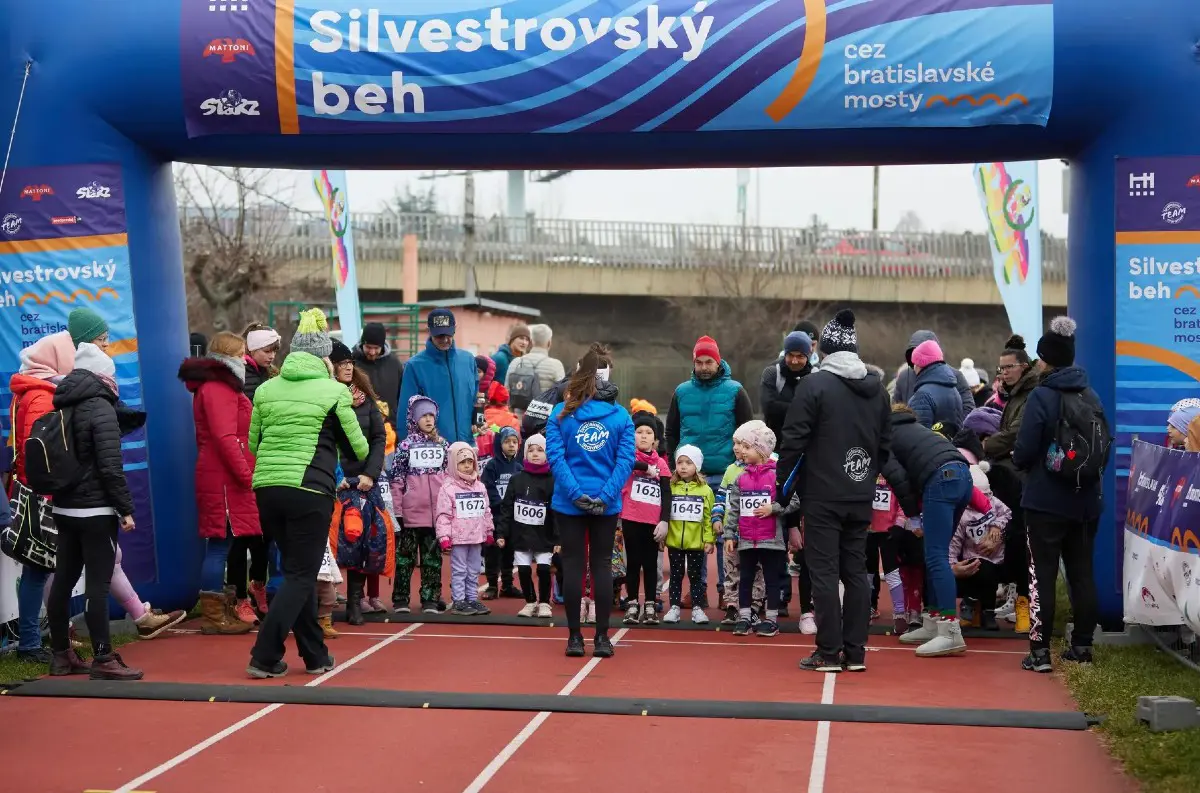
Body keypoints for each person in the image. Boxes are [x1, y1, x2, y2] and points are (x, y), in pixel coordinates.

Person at [245, 308, 369, 679]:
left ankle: (315, 655)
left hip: (267, 489)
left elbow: (253, 443)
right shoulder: (334, 392)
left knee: (296, 571)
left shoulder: (267, 388)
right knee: (302, 574)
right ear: (324, 359)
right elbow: (358, 449)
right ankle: (264, 654)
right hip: (309, 487)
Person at [775, 310, 891, 673]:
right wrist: (867, 475)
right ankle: (855, 653)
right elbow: (885, 445)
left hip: (823, 494)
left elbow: (793, 440)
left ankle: (828, 651)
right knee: (855, 571)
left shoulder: (814, 385)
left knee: (823, 572)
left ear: (823, 351)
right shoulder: (878, 390)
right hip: (860, 493)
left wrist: (782, 486)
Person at [45, 343, 145, 680]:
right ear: (104, 376)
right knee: (98, 586)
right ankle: (103, 658)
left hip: (64, 507)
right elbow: (110, 465)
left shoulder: (61, 404)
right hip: (96, 510)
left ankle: (61, 655)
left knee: (63, 581)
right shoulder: (101, 407)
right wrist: (125, 508)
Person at [1013, 316, 1107, 673]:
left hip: (1044, 501)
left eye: (1040, 358)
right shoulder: (1090, 393)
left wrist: (1027, 465)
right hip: (1086, 500)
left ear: (1048, 360)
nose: (1037, 363)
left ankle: (1039, 653)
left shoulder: (1042, 395)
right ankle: (1082, 646)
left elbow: (1023, 450)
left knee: (1042, 574)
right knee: (1082, 573)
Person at [546, 343, 636, 659]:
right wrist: (604, 496)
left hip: (570, 502)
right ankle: (601, 638)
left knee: (573, 566)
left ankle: (573, 638)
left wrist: (576, 495)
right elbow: (626, 461)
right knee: (600, 566)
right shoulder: (621, 415)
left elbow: (556, 459)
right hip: (604, 503)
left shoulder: (560, 413)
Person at [178, 331, 261, 634]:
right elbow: (225, 438)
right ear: (229, 356)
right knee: (219, 544)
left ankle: (219, 609)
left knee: (222, 543)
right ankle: (214, 616)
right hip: (224, 475)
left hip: (223, 471)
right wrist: (244, 474)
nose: (245, 358)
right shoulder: (218, 387)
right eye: (241, 353)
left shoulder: (220, 385)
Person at [665, 335, 755, 607]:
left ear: (718, 362)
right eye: (699, 362)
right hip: (690, 478)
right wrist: (673, 466)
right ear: (693, 363)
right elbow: (671, 431)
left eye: (709, 362)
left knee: (724, 537)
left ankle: (726, 591)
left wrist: (743, 469)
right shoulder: (681, 392)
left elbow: (747, 432)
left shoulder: (736, 390)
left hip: (726, 475)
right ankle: (697, 590)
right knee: (694, 535)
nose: (704, 367)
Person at [883, 404, 974, 658]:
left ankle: (949, 631)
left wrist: (912, 516)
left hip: (942, 479)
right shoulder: (918, 430)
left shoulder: (887, 436)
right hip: (963, 475)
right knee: (935, 553)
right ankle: (934, 621)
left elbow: (898, 479)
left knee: (935, 556)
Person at [329, 340, 388, 625]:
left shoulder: (366, 400)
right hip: (334, 482)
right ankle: (324, 602)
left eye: (350, 362)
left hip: (364, 482)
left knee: (360, 540)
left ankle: (354, 601)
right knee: (330, 544)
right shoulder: (325, 398)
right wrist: (335, 475)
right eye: (341, 364)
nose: (348, 367)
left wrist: (371, 474)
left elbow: (379, 438)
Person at [722, 421, 800, 639]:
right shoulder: (740, 478)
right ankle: (745, 617)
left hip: (771, 540)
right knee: (745, 578)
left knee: (771, 579)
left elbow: (794, 501)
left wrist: (773, 508)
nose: (741, 452)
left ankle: (771, 620)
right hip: (746, 539)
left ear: (761, 450)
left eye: (747, 447)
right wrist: (730, 534)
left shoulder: (777, 477)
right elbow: (734, 509)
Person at [388, 395, 450, 613]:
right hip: (410, 514)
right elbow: (396, 480)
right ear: (414, 418)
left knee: (432, 559)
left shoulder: (443, 445)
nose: (429, 419)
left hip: (436, 516)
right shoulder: (405, 446)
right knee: (405, 559)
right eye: (423, 415)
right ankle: (401, 599)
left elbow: (449, 478)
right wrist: (397, 510)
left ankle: (430, 599)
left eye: (431, 415)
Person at [240, 321, 281, 614]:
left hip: (267, 460)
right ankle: (242, 592)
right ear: (253, 349)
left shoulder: (269, 376)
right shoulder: (244, 377)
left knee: (265, 532)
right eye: (268, 351)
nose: (272, 356)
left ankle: (258, 584)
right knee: (248, 534)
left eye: (275, 351)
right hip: (250, 460)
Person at [495, 433, 558, 617]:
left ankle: (545, 602)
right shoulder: (516, 480)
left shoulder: (552, 480)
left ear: (547, 454)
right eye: (531, 450)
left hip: (544, 535)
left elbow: (556, 512)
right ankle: (530, 602)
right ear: (525, 453)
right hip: (521, 534)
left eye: (540, 450)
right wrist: (501, 533)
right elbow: (506, 508)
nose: (535, 454)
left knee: (544, 569)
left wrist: (558, 537)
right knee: (523, 570)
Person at [619, 413, 673, 624]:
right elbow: (624, 463)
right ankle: (632, 603)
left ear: (655, 440)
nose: (643, 436)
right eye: (639, 432)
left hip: (653, 522)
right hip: (631, 518)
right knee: (632, 563)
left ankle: (650, 603)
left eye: (648, 433)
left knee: (651, 564)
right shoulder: (627, 457)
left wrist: (664, 520)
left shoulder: (662, 464)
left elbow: (667, 493)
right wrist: (644, 468)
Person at [398, 308, 479, 444]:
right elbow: (406, 413)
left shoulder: (468, 360)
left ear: (455, 329)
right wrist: (406, 447)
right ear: (428, 331)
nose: (445, 340)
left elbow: (477, 399)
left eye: (449, 334)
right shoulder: (414, 366)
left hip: (466, 447)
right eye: (439, 336)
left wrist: (479, 420)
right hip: (432, 449)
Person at [951, 461, 1012, 631]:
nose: (985, 499)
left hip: (996, 558)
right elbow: (954, 543)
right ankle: (969, 602)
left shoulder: (995, 503)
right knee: (977, 569)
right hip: (971, 558)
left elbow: (1007, 514)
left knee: (990, 575)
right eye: (980, 495)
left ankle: (988, 612)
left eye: (988, 494)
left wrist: (997, 527)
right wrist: (952, 565)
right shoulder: (962, 514)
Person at [436, 442, 495, 615]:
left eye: (470, 461)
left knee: (474, 569)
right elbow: (443, 515)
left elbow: (486, 511)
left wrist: (489, 530)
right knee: (460, 570)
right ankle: (459, 600)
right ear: (454, 464)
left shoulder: (480, 486)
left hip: (476, 537)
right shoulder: (448, 488)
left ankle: (471, 598)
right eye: (462, 462)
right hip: (459, 538)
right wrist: (444, 536)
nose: (467, 465)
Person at [663, 444, 715, 624]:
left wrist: (709, 539)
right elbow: (664, 513)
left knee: (695, 576)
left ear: (697, 466)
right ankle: (674, 608)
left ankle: (698, 608)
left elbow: (708, 517)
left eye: (688, 462)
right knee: (675, 576)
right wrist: (663, 536)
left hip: (696, 543)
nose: (683, 466)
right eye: (680, 462)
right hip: (675, 541)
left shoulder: (705, 490)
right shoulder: (670, 487)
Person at [482, 426, 522, 599]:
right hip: (496, 515)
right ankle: (491, 585)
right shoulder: (492, 466)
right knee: (493, 551)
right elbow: (487, 488)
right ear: (499, 444)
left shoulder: (519, 467)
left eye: (515, 442)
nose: (511, 445)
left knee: (509, 551)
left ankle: (507, 584)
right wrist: (501, 504)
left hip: (512, 518)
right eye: (507, 442)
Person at [892, 330, 973, 413]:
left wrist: (948, 425)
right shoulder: (904, 376)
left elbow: (968, 408)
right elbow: (895, 408)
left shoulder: (955, 376)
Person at [760, 330, 814, 438]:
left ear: (808, 356)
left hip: (808, 444)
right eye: (790, 355)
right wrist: (803, 410)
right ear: (785, 354)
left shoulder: (816, 374)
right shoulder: (772, 373)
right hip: (777, 443)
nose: (794, 361)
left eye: (800, 356)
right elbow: (768, 407)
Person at [908, 339, 966, 436]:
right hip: (951, 449)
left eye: (915, 363)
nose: (914, 368)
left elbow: (918, 436)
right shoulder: (953, 389)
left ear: (921, 364)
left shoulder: (922, 395)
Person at [353, 322, 405, 427]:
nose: (372, 352)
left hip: (389, 426)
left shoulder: (395, 364)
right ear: (362, 344)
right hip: (361, 427)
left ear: (382, 346)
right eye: (368, 347)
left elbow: (402, 395)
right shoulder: (352, 363)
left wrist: (394, 418)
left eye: (376, 348)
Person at [506, 323, 566, 413]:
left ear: (532, 341)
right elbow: (563, 395)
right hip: (543, 421)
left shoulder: (516, 362)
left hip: (517, 419)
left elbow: (506, 392)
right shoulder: (556, 365)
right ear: (549, 343)